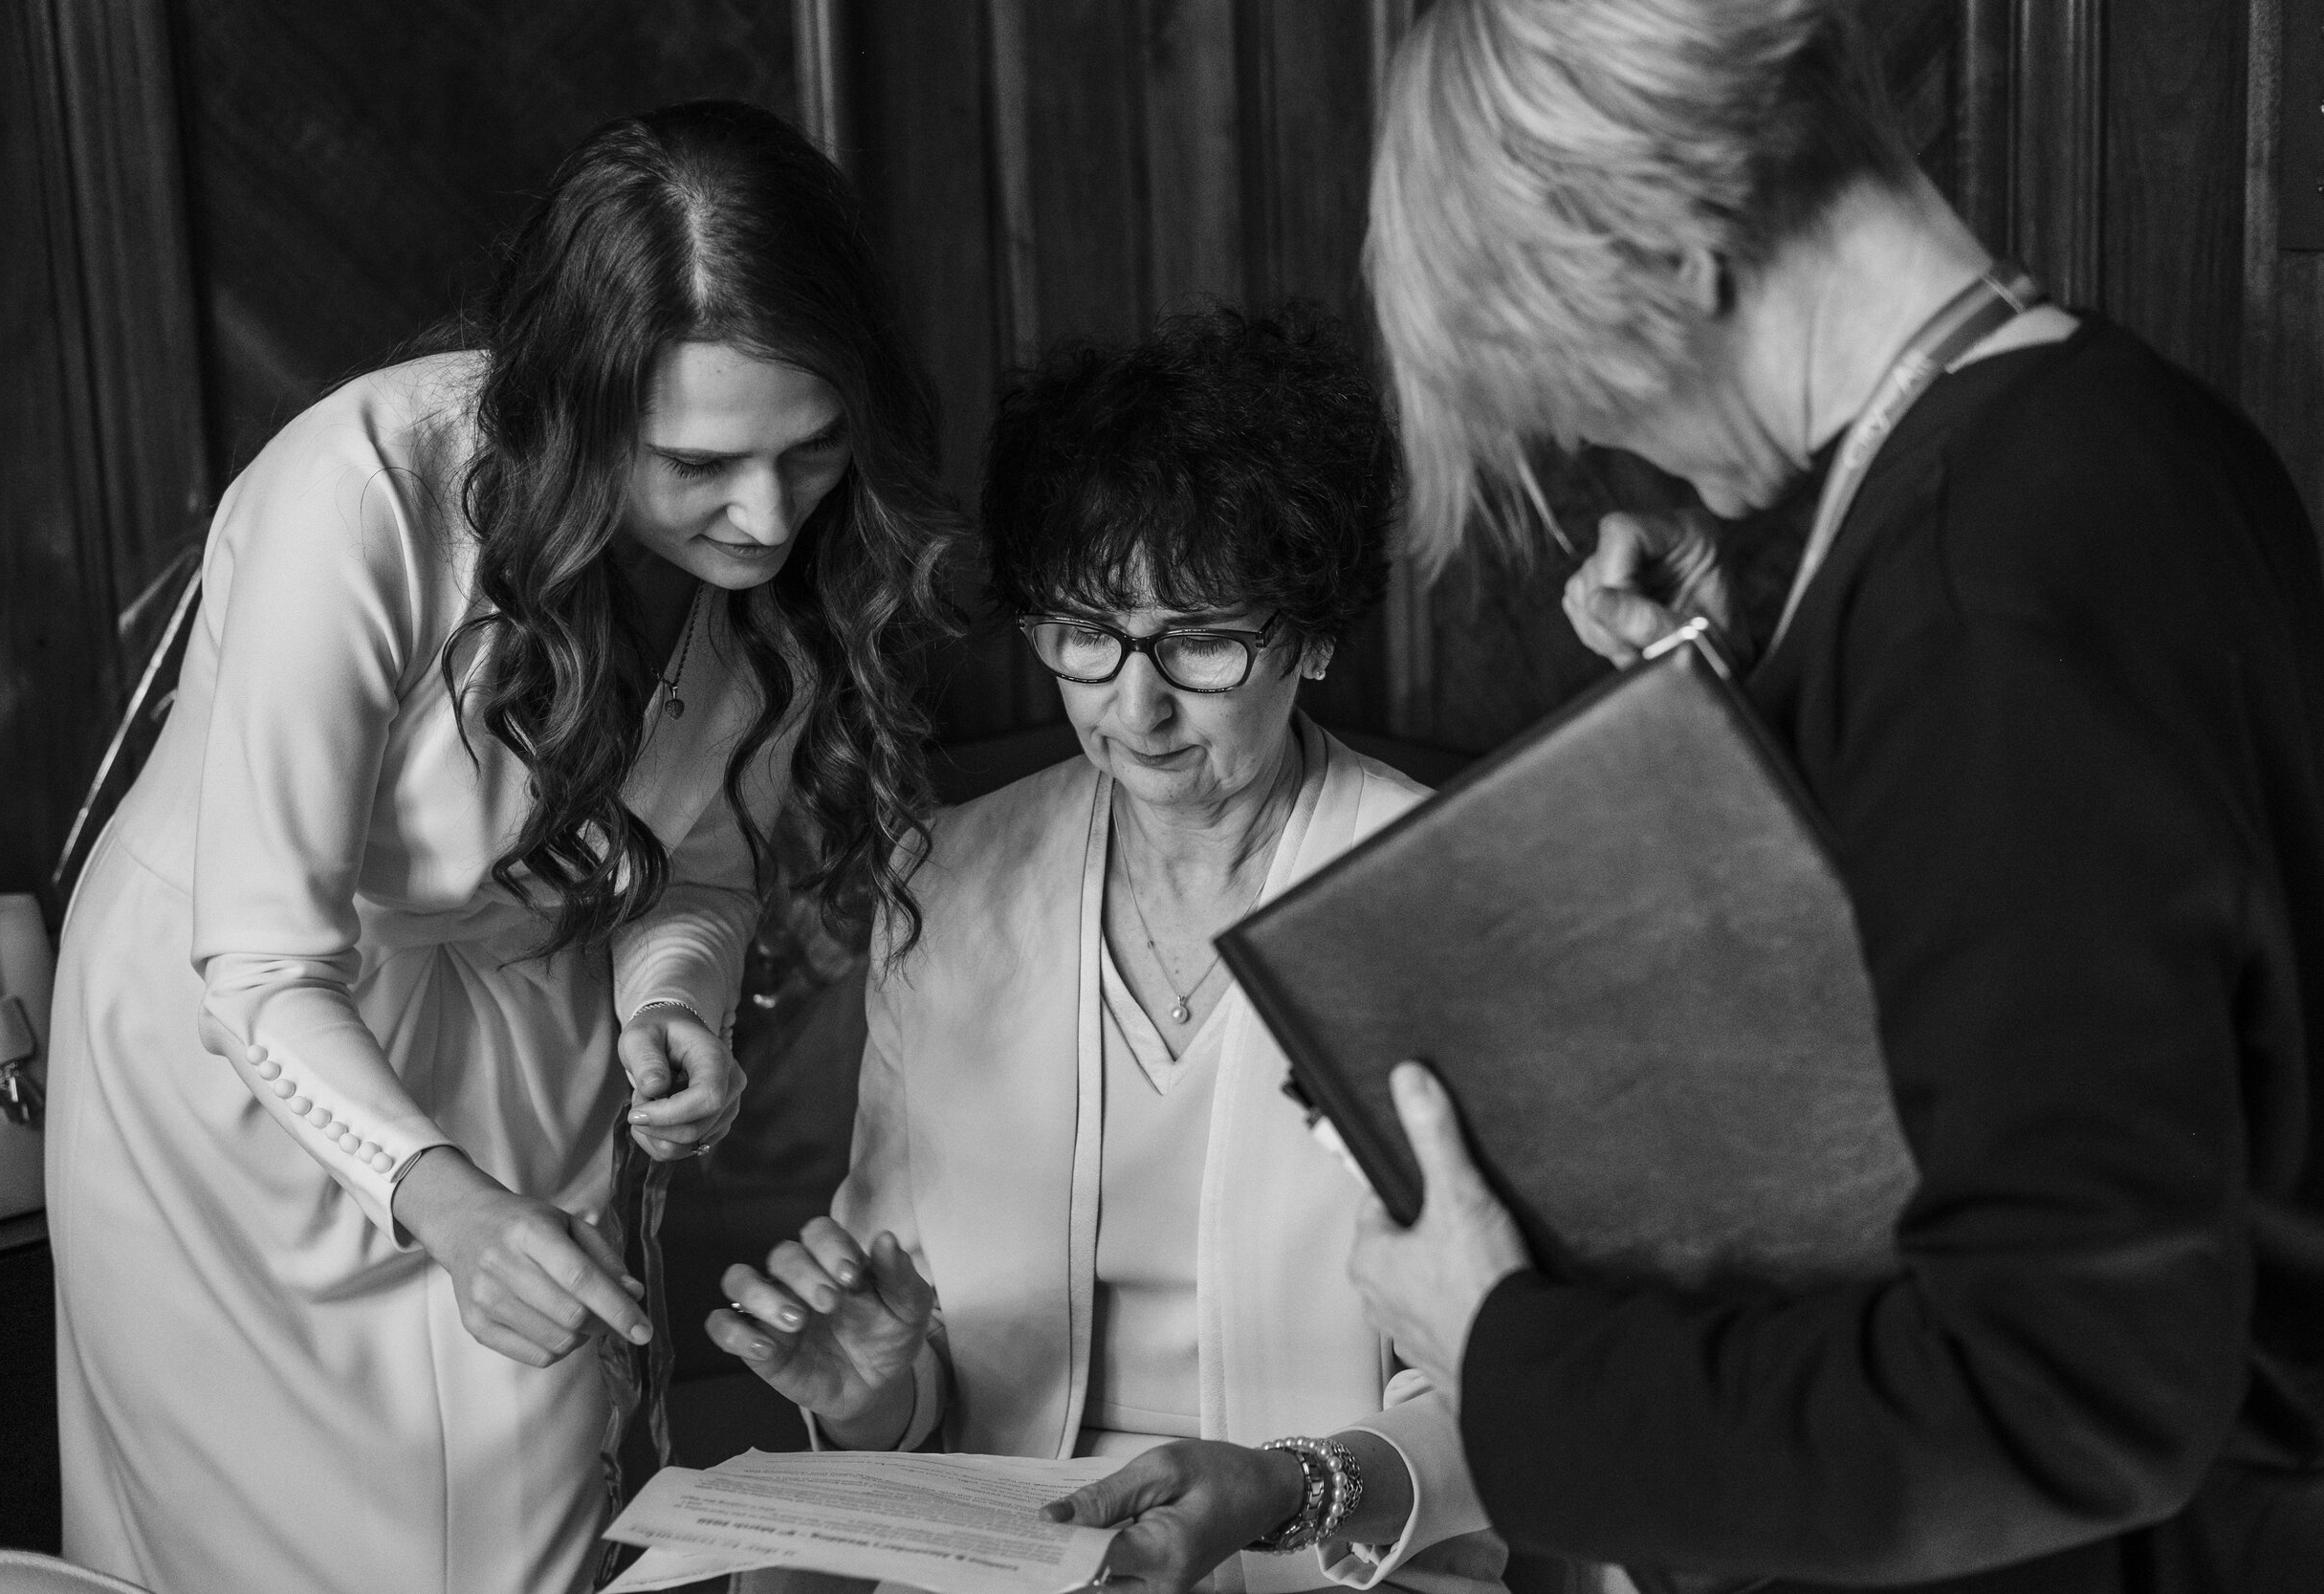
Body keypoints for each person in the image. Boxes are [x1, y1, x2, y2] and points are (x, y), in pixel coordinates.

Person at [1347, 2, 2324, 1591]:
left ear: (1668, 251)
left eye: (1566, 372)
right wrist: (1748, 668)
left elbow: (2067, 1393)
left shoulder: (1977, 594)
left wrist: (1512, 1353)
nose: (1597, 436)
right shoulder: (2125, 432)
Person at [45, 100, 957, 1594]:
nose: (766, 514)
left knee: (536, 1506)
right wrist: (446, 1201)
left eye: (814, 447)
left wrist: (672, 1005)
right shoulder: (363, 492)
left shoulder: (799, 554)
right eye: (700, 463)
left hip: (526, 1021)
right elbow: (263, 958)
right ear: (584, 412)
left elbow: (704, 874)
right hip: (240, 1057)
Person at [707, 307, 1507, 1594]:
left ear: (1307, 637)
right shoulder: (948, 878)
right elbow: (905, 1371)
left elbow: (1513, 1377)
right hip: (1009, 1559)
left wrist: (1291, 1490)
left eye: (1198, 641)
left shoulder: (1446, 897)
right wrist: (862, 1395)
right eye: (1086, 633)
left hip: (1331, 1557)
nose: (1134, 706)